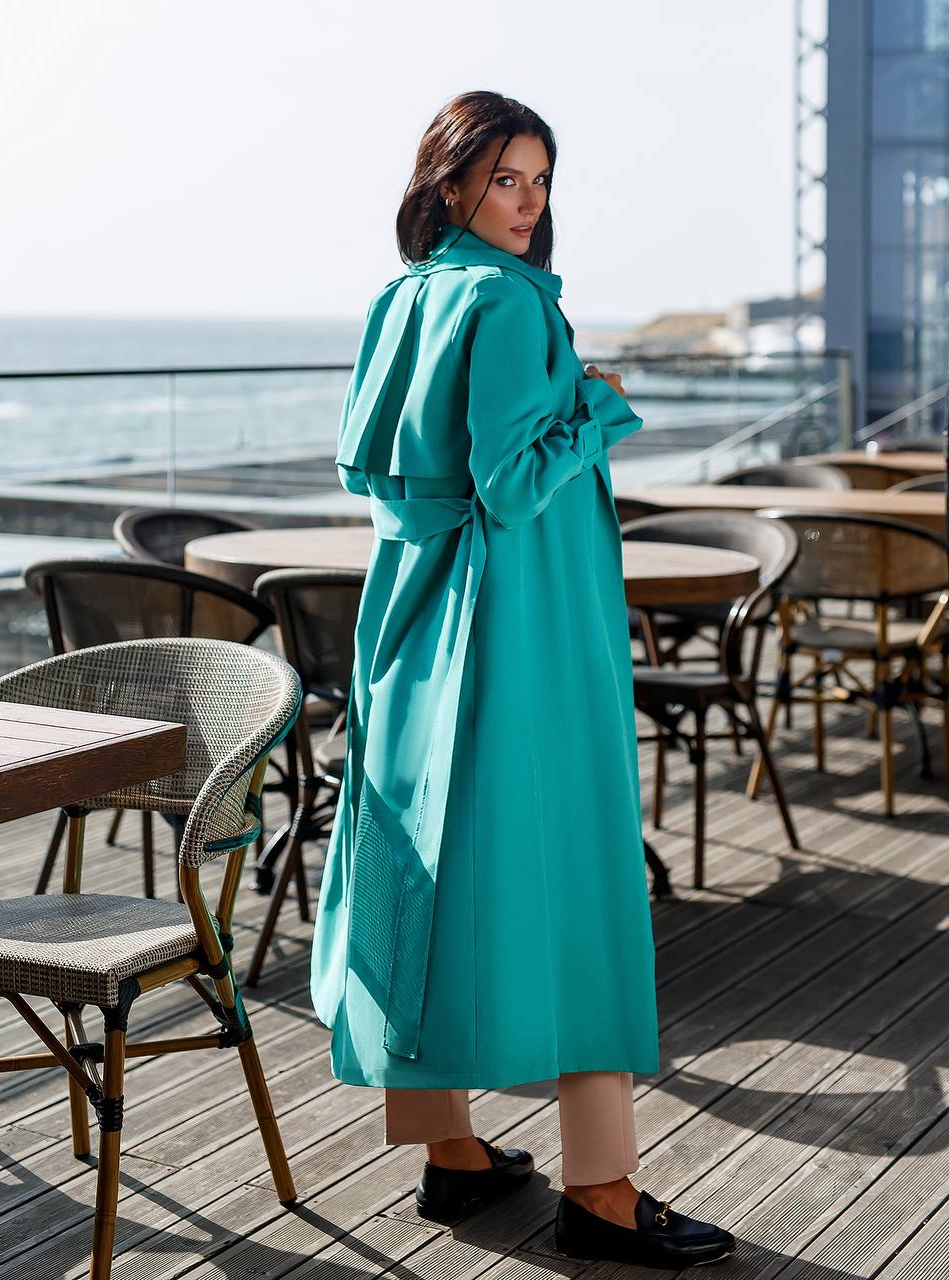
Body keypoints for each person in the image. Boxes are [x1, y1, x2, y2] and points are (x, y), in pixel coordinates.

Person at [309, 90, 734, 1269]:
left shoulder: (401, 297)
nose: (529, 202)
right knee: (579, 875)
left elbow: (366, 468)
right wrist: (595, 406)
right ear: (449, 182)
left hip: (414, 618)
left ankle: (449, 1150)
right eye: (507, 178)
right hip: (518, 627)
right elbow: (511, 481)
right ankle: (601, 1188)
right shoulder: (506, 301)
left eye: (541, 181)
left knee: (422, 867)